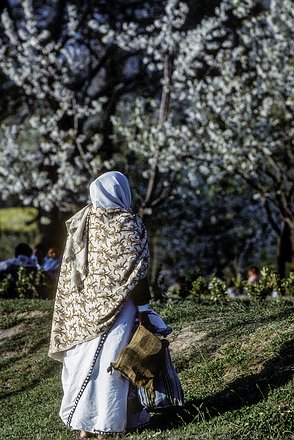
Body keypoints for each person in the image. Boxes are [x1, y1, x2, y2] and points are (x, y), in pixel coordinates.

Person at [48, 171, 172, 439]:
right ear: (122, 192)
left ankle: (84, 426)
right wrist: (144, 310)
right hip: (121, 309)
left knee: (85, 365)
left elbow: (72, 270)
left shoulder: (83, 222)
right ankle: (108, 426)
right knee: (113, 367)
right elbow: (137, 274)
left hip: (84, 310)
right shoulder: (129, 224)